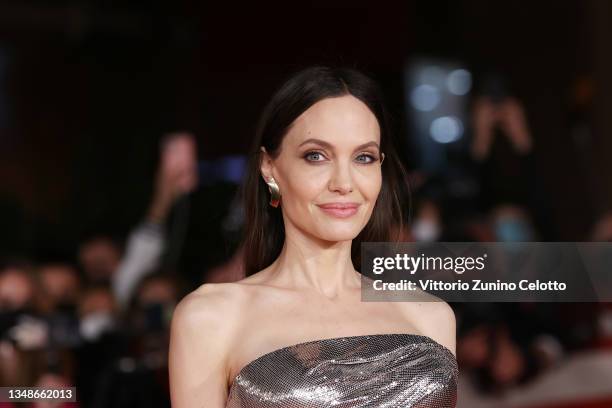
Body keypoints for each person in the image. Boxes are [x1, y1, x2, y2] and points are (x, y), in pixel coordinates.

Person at [169, 66, 458, 407]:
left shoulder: (430, 315)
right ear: (269, 167)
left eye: (363, 158)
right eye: (316, 156)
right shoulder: (211, 317)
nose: (343, 182)